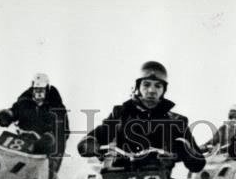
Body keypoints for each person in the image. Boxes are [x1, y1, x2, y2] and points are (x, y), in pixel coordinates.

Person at [76, 60, 205, 173]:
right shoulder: (121, 114)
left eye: (158, 85)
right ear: (138, 87)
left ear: (164, 90)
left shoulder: (176, 121)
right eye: (146, 84)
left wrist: (185, 150)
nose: (151, 90)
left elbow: (198, 164)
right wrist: (91, 145)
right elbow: (88, 141)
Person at [0, 72, 69, 179]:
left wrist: (51, 141)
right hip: (23, 141)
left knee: (45, 167)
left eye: (42, 90)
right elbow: (15, 110)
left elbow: (62, 132)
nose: (39, 93)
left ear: (47, 90)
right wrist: (7, 116)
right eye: (36, 90)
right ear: (32, 89)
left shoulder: (56, 108)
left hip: (46, 145)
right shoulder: (25, 102)